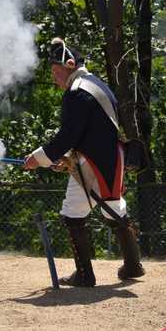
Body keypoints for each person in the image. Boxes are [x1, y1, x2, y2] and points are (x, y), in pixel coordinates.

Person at [23, 37, 145, 287]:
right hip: (109, 158)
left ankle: (85, 274)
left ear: (69, 65)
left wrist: (39, 157)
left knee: (72, 214)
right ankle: (133, 265)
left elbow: (69, 135)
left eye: (57, 72)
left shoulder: (77, 93)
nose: (56, 78)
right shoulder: (95, 84)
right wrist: (67, 158)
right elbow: (91, 133)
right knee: (115, 210)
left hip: (92, 162)